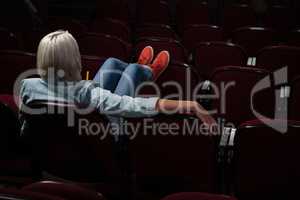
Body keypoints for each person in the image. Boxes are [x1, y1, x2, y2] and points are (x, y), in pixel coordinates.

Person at [19, 30, 216, 132]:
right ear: (74, 59)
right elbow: (136, 105)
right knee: (131, 70)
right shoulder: (91, 94)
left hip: (58, 146)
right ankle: (144, 72)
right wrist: (192, 105)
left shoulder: (27, 86)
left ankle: (141, 70)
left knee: (111, 63)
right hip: (100, 138)